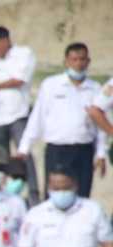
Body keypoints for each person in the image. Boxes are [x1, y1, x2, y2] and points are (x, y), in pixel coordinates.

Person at [18, 43, 107, 198]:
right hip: (57, 150)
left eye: (82, 59)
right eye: (74, 59)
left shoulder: (95, 89)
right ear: (66, 61)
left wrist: (100, 152)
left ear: (88, 61)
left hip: (83, 150)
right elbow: (38, 117)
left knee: (82, 195)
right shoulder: (51, 85)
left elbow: (100, 124)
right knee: (55, 194)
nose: (78, 64)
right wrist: (24, 147)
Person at [0, 27, 39, 202]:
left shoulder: (23, 54)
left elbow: (19, 80)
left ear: (4, 40)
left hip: (18, 114)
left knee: (23, 154)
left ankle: (33, 194)